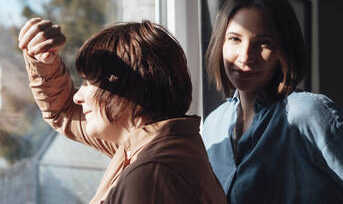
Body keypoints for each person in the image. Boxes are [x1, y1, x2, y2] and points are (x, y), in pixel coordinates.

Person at [19, 18, 227, 204]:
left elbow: (65, 110)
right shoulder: (148, 145)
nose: (77, 96)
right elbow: (64, 111)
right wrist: (41, 60)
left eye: (88, 82)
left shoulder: (150, 176)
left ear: (126, 89)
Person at [201, 0, 343, 204]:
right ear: (220, 44)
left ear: (284, 50)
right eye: (235, 39)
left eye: (264, 43)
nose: (245, 56)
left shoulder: (307, 113)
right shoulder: (213, 125)